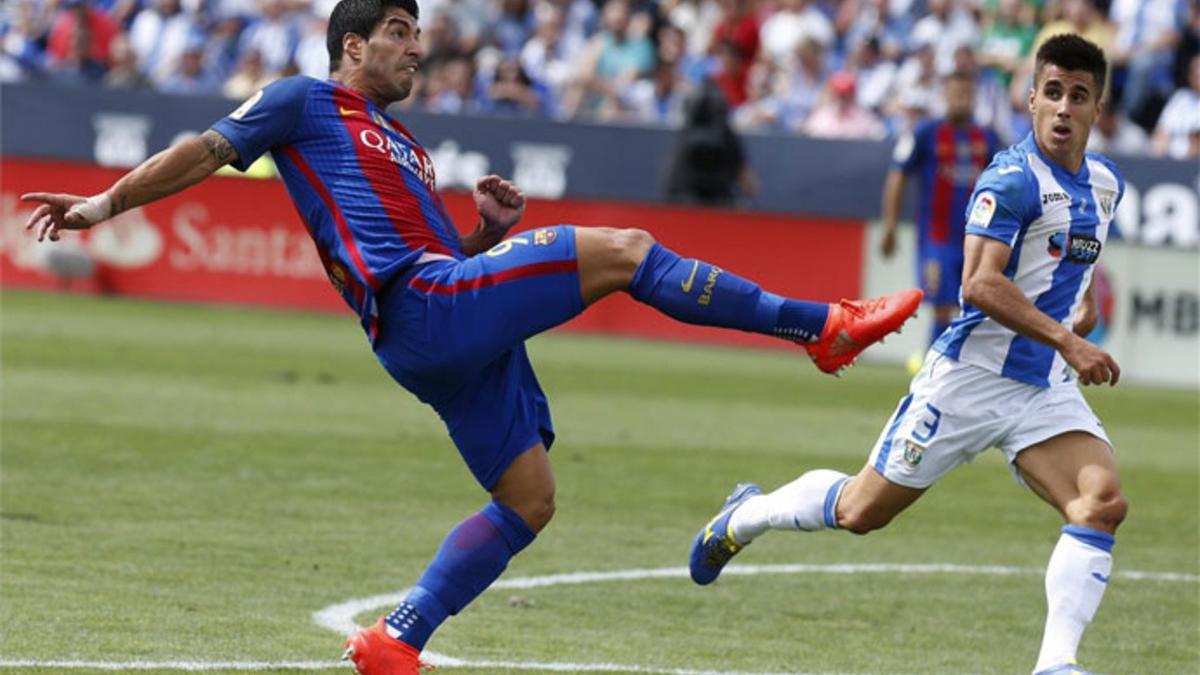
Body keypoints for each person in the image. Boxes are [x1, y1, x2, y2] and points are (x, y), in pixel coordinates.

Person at [21, 1, 921, 673]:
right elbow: (207, 147)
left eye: (420, 33)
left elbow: (434, 253)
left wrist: (483, 234)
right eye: (404, 32)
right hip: (421, 307)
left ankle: (395, 638)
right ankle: (823, 327)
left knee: (528, 498)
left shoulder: (402, 143)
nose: (419, 46)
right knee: (628, 250)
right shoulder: (302, 102)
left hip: (436, 314)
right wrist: (105, 203)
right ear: (354, 43)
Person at [690, 34, 1126, 675]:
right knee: (861, 512)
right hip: (969, 381)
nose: (1063, 108)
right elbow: (978, 284)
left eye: (1078, 96)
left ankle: (1055, 665)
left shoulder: (1107, 186)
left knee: (1101, 503)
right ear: (1031, 98)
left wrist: (1077, 314)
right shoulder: (1010, 178)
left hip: (1041, 388)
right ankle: (747, 514)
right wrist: (1067, 337)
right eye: (1053, 93)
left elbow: (1072, 265)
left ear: (1097, 108)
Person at [881, 70, 1000, 347]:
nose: (961, 100)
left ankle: (957, 375)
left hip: (976, 240)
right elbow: (898, 175)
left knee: (973, 309)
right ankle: (933, 374)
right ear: (945, 96)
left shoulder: (986, 137)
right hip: (937, 238)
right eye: (956, 94)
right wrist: (890, 224)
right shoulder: (926, 132)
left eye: (967, 95)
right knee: (943, 308)